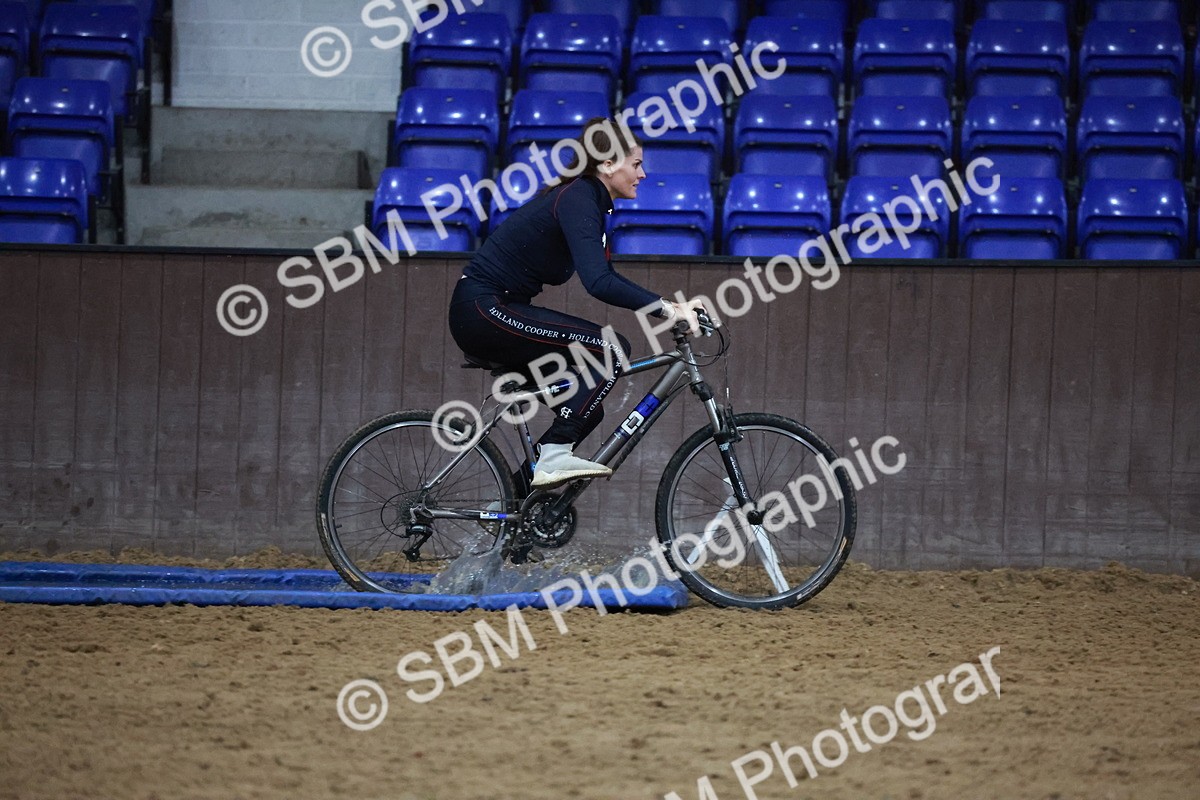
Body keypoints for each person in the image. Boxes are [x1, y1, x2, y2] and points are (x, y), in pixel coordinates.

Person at [449, 117, 703, 489]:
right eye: (636, 164)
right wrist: (667, 309)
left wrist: (670, 307)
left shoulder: (588, 203)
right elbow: (598, 283)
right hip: (483, 311)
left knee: (586, 411)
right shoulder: (579, 197)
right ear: (606, 164)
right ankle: (553, 456)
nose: (643, 174)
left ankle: (515, 508)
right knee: (611, 349)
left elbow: (608, 278)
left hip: (492, 310)